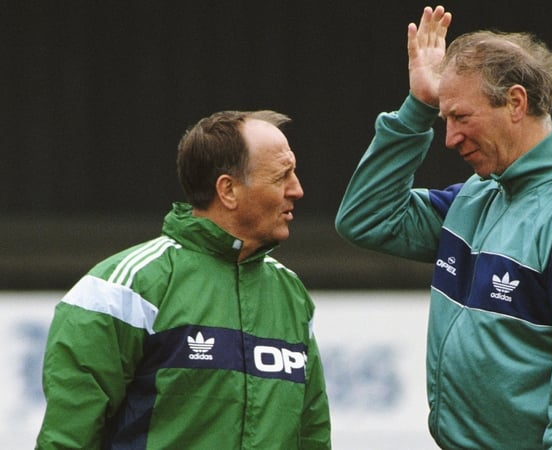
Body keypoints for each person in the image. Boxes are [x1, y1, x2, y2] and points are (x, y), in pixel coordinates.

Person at [335, 5, 552, 450]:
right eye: (444, 120)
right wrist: (418, 108)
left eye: (461, 117)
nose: (450, 138)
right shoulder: (476, 196)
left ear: (516, 103)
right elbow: (366, 218)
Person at [36, 110, 331, 449]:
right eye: (282, 176)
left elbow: (312, 434)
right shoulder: (122, 289)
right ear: (228, 190)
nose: (298, 189)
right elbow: (67, 438)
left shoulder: (290, 293)